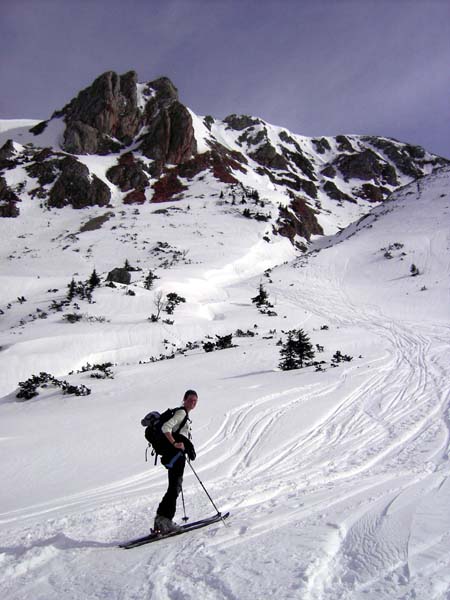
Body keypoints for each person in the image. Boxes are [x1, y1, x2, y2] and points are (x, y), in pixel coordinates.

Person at [154, 389, 198, 534]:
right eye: (190, 399)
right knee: (175, 487)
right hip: (175, 456)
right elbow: (165, 427)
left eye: (195, 400)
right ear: (184, 399)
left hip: (175, 455)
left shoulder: (183, 414)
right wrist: (175, 444)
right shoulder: (182, 413)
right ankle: (166, 521)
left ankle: (161, 519)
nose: (193, 402)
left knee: (173, 487)